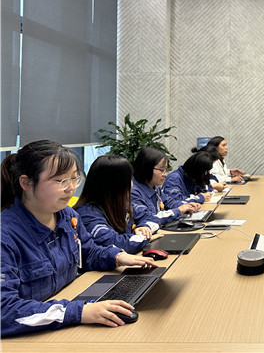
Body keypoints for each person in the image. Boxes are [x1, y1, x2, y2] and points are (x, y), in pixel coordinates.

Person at [1, 140, 156, 337]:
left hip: (63, 315)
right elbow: (4, 311)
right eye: (60, 181)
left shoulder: (67, 216)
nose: (71, 188)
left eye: (75, 179)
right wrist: (80, 312)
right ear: (26, 183)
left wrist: (118, 256)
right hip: (30, 336)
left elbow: (88, 253)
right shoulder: (6, 236)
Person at [74, 155, 162, 254]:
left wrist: (144, 227)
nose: (132, 184)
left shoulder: (120, 203)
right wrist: (144, 238)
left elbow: (152, 218)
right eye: (128, 180)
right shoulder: (87, 214)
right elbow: (117, 243)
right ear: (114, 184)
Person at [131, 147, 201, 228]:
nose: (165, 174)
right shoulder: (134, 192)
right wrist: (178, 211)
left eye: (166, 170)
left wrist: (187, 206)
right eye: (161, 170)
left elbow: (169, 202)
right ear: (146, 168)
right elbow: (147, 218)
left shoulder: (154, 187)